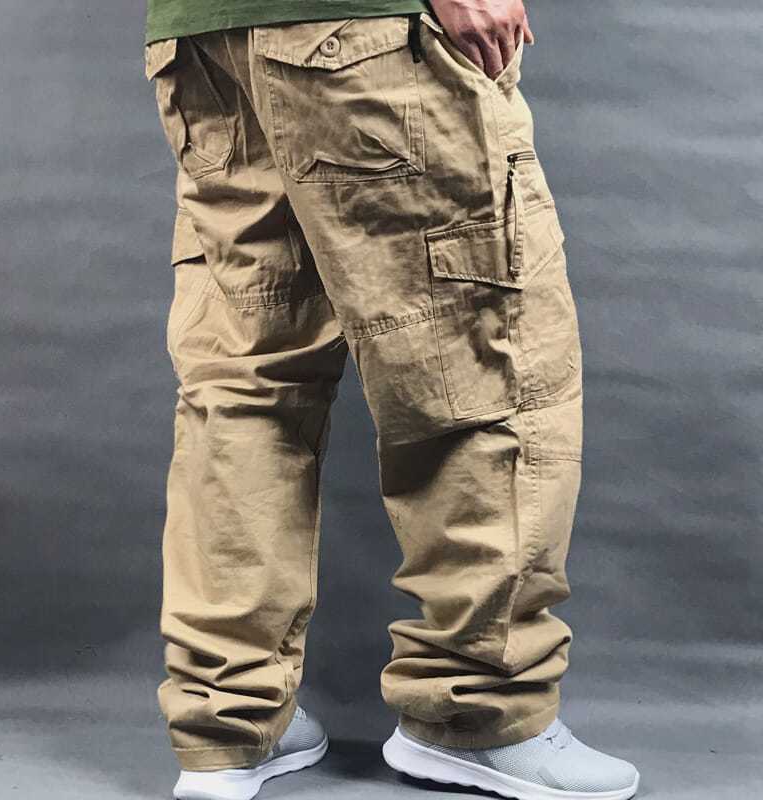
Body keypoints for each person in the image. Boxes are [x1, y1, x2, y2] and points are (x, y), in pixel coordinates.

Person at [144, 1, 640, 798]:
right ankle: (478, 712)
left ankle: (229, 722)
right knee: (487, 367)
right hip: (365, 24)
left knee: (246, 385)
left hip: (204, 36)